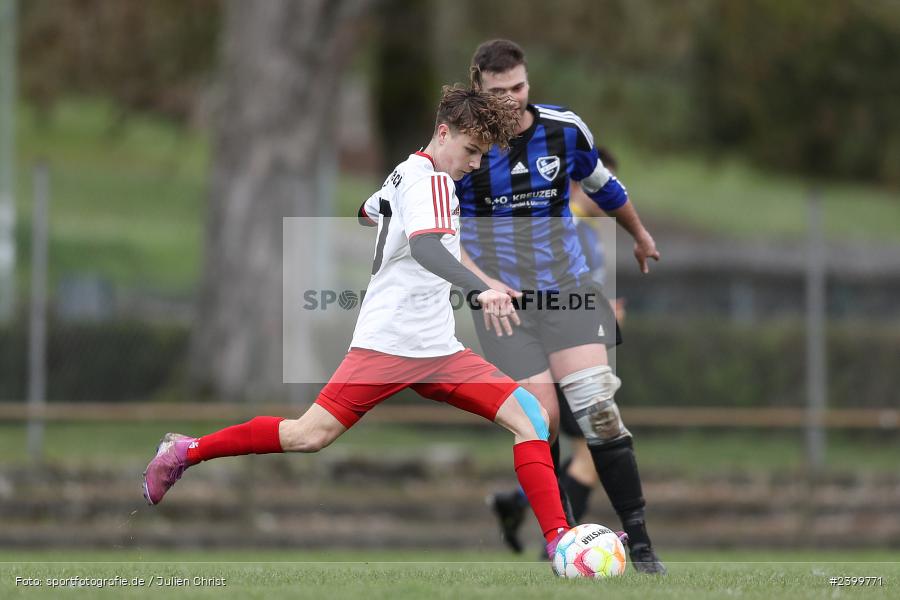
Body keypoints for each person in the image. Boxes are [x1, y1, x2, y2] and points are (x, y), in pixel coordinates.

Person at [142, 85, 576, 557]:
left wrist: (393, 218)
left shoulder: (408, 172)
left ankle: (559, 543)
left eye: (481, 155)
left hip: (437, 348)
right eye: (471, 151)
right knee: (308, 435)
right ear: (444, 132)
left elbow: (366, 210)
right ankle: (186, 451)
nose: (474, 164)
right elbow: (428, 247)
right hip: (387, 344)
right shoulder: (428, 181)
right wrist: (482, 289)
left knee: (531, 416)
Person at [456, 40, 666, 573]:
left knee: (599, 411)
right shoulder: (459, 147)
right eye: (497, 92)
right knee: (540, 423)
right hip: (503, 306)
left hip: (567, 292)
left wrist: (639, 236)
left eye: (519, 88)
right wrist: (482, 286)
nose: (510, 100)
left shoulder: (563, 130)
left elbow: (604, 185)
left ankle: (641, 546)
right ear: (477, 89)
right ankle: (564, 541)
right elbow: (440, 230)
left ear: (529, 83)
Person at [488, 147, 630, 552]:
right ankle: (563, 548)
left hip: (563, 355)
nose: (609, 196)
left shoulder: (585, 232)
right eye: (601, 187)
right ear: (575, 183)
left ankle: (518, 505)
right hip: (562, 358)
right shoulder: (568, 229)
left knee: (566, 449)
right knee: (589, 455)